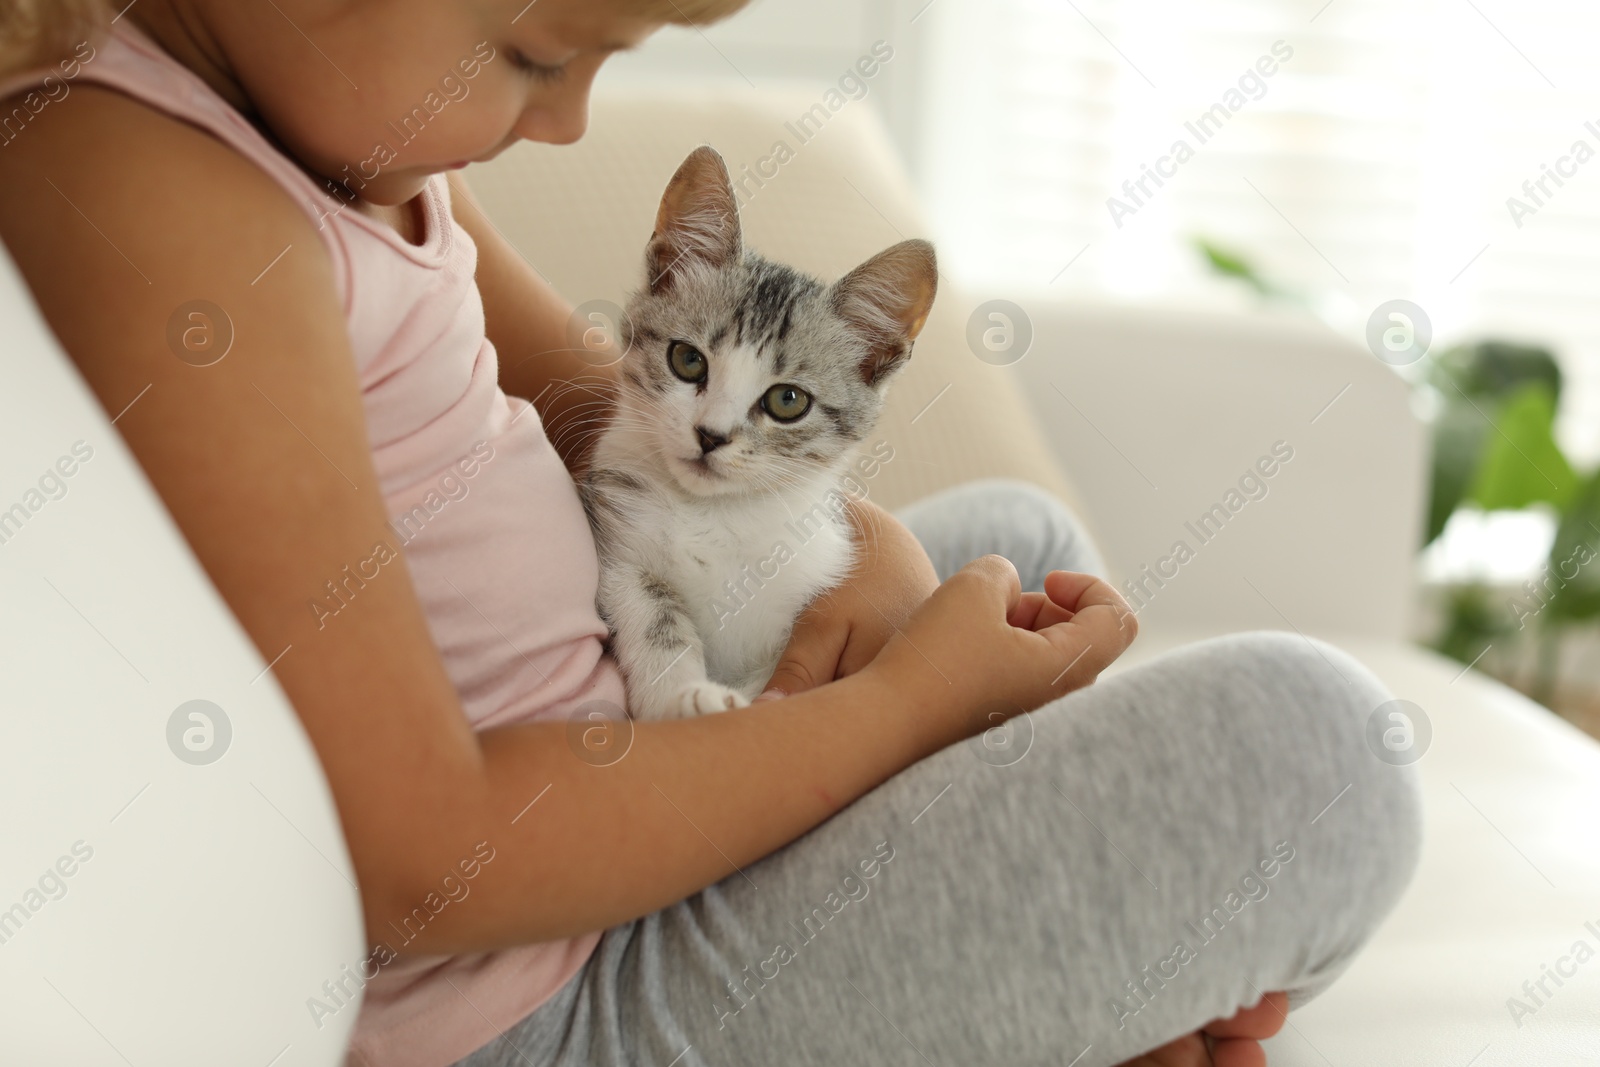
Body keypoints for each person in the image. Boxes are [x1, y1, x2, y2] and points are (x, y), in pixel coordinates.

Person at [0, 2, 1421, 1065]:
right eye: (537, 49)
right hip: (546, 993)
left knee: (1016, 539)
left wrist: (852, 550)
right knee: (1318, 756)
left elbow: (580, 396)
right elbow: (429, 862)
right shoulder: (153, 192)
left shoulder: (360, 154)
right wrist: (906, 708)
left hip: (634, 773)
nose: (564, 123)